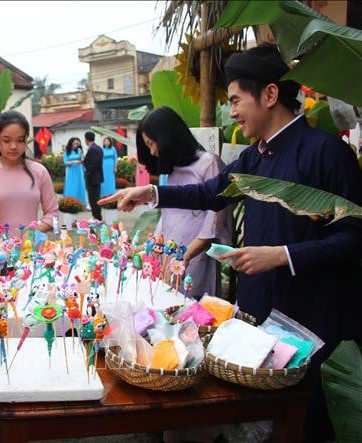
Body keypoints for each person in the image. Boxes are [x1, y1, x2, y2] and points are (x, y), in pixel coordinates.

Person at [100, 44, 362, 442]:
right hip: (259, 309)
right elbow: (209, 193)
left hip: (310, 313)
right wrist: (151, 194)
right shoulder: (255, 158)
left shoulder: (327, 154)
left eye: (237, 100)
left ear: (270, 95)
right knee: (257, 417)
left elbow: (354, 236)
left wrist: (283, 255)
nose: (234, 111)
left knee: (304, 422)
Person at [137, 106, 232, 298]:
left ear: (167, 137)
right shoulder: (171, 170)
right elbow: (167, 217)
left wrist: (186, 255)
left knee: (194, 310)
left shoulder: (209, 163)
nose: (153, 152)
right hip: (170, 254)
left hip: (196, 257)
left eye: (152, 143)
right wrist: (152, 244)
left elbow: (214, 223)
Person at [0, 110, 59, 236]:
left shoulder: (39, 171)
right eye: (7, 140)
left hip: (32, 251)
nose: (13, 146)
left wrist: (33, 231)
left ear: (26, 139)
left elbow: (52, 214)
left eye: (20, 140)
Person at [83, 131, 103, 220]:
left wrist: (88, 173)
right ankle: (96, 216)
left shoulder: (93, 149)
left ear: (86, 139)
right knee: (95, 198)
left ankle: (97, 217)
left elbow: (94, 164)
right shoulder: (98, 148)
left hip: (93, 177)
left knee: (93, 199)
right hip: (96, 177)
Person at [62, 137, 88, 207]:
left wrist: (82, 160)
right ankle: (70, 202)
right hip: (70, 171)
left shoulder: (79, 150)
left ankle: (81, 203)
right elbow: (65, 162)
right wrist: (74, 161)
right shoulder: (66, 151)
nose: (76, 145)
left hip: (79, 170)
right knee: (71, 185)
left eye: (77, 143)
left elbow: (82, 159)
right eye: (74, 143)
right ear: (71, 144)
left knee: (79, 184)